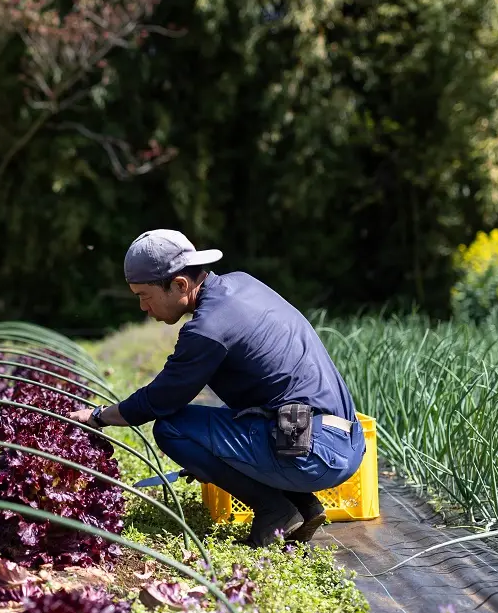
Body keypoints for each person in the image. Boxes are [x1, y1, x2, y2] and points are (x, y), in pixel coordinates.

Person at [70, 229, 365, 546]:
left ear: (180, 285)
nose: (143, 307)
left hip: (316, 451)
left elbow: (159, 400)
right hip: (341, 438)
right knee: (224, 420)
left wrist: (98, 416)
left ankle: (275, 510)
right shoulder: (242, 284)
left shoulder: (209, 327)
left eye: (144, 296)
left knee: (171, 429)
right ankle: (304, 505)